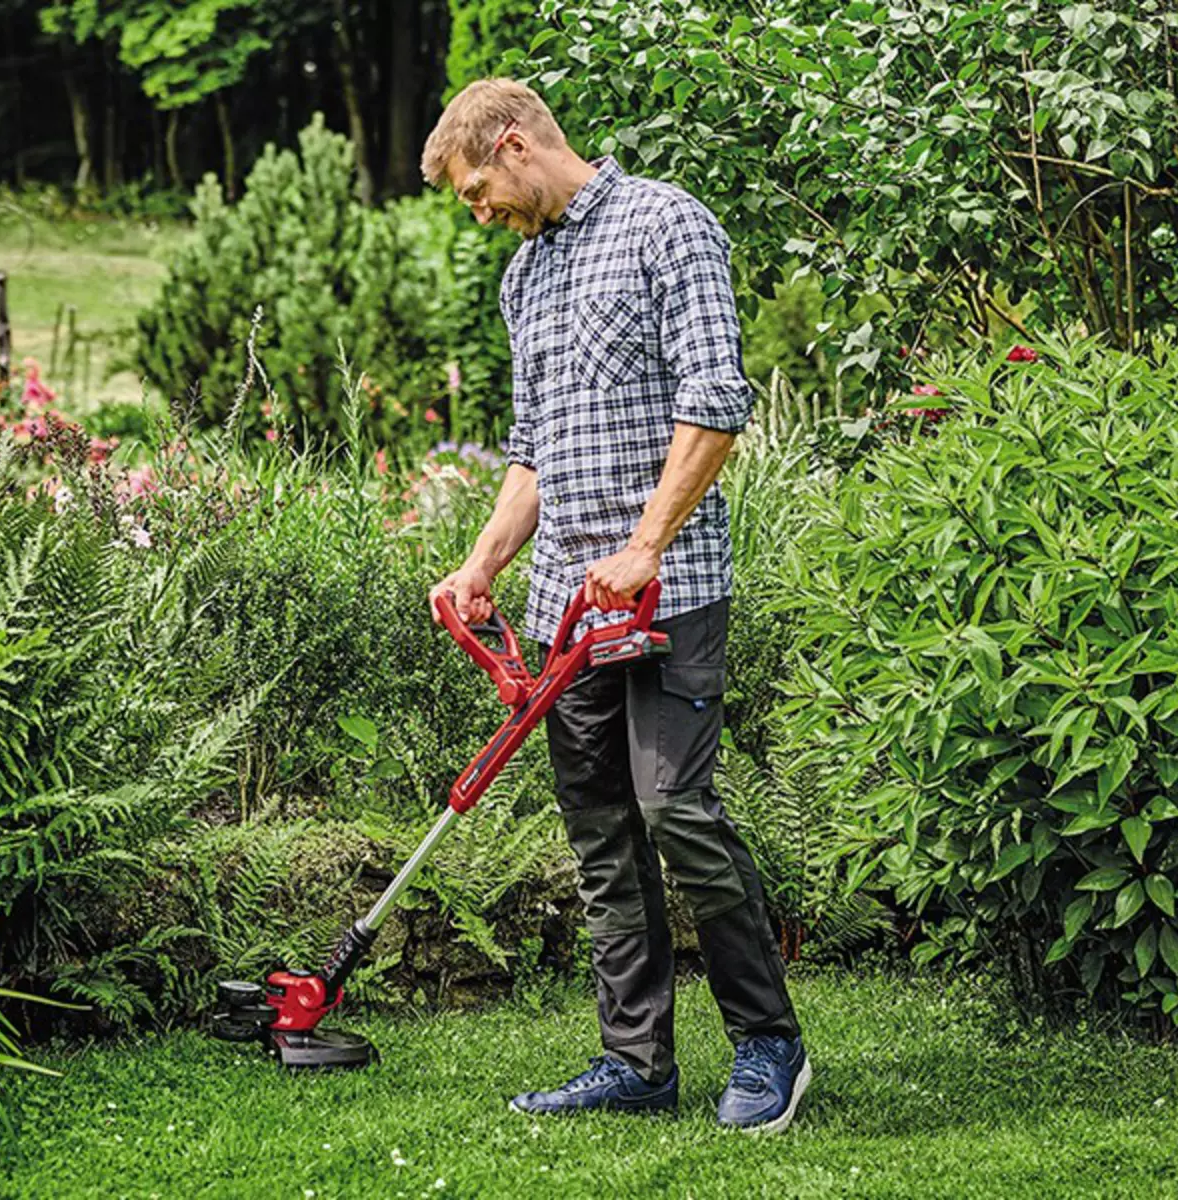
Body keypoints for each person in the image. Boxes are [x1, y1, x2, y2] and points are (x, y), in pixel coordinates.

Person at [421, 79, 807, 1134]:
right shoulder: (522, 278)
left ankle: (770, 1046)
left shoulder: (665, 223)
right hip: (566, 610)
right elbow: (533, 449)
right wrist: (482, 562)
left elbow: (715, 403)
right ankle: (636, 1061)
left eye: (473, 190)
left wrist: (646, 546)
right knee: (600, 832)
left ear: (511, 145)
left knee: (673, 809)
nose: (477, 210)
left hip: (668, 589)